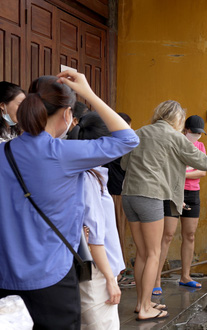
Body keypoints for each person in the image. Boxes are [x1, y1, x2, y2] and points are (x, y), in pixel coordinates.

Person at [0, 71, 138, 328]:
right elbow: (128, 138)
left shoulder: (3, 151)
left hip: (6, 273)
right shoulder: (63, 153)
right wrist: (89, 93)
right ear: (67, 115)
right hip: (52, 276)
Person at [121, 100, 207, 322]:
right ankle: (146, 307)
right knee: (153, 253)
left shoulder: (139, 132)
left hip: (129, 195)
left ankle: (141, 303)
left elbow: (125, 164)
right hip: (151, 196)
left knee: (143, 253)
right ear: (177, 119)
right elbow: (202, 161)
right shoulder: (175, 137)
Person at [74, 112, 125, 329]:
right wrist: (110, 281)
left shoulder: (94, 175)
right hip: (96, 273)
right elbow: (95, 239)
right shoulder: (88, 179)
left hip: (99, 270)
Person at [155, 115, 207, 295]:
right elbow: (167, 170)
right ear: (186, 130)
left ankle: (186, 276)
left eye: (200, 133)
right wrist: (185, 174)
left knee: (190, 235)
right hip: (173, 191)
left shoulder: (200, 146)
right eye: (194, 132)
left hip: (193, 193)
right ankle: (156, 279)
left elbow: (203, 171)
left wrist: (182, 173)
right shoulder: (175, 143)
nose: (197, 136)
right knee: (167, 235)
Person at [103, 112, 132, 274]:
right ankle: (119, 271)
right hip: (117, 192)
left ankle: (119, 269)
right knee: (117, 232)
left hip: (114, 191)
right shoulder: (120, 144)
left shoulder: (109, 143)